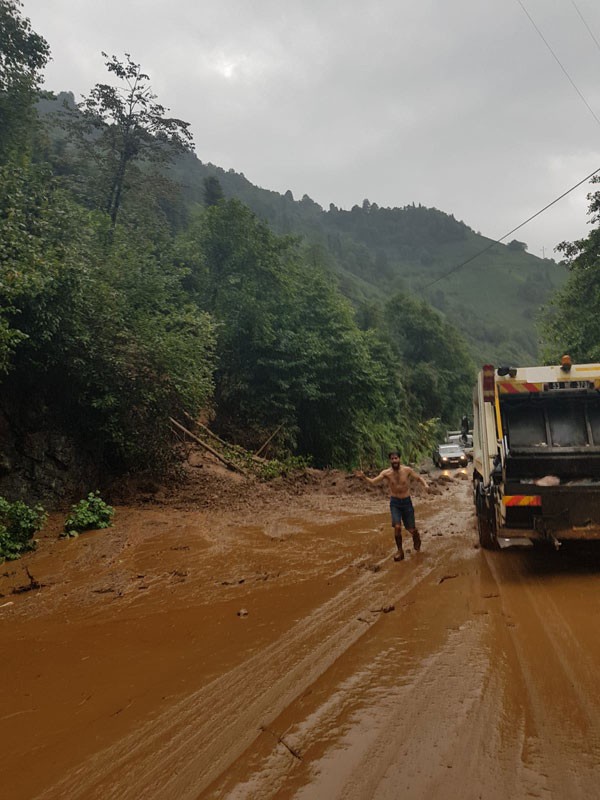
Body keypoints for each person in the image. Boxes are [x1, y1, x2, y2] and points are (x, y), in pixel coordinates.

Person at [356, 451, 429, 561]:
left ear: (399, 459)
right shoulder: (386, 473)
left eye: (396, 458)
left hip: (406, 502)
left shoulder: (407, 470)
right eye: (392, 459)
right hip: (395, 503)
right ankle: (400, 551)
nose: (394, 460)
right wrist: (364, 477)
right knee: (397, 527)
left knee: (411, 529)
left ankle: (416, 535)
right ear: (390, 460)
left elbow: (418, 478)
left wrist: (426, 485)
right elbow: (373, 482)